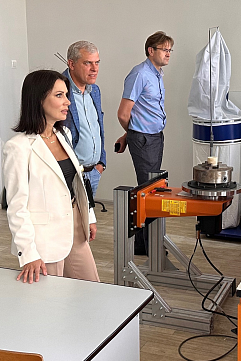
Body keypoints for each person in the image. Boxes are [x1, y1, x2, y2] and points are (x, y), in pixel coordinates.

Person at [3, 70, 100, 283]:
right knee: (51, 298)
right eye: (59, 95)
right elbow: (17, 207)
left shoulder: (63, 135)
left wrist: (89, 216)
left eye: (66, 95)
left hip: (75, 226)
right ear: (39, 99)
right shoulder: (18, 147)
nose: (67, 102)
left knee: (92, 288)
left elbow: (77, 183)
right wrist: (28, 253)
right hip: (45, 238)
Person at [115, 31, 172, 255]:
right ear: (151, 50)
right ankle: (151, 246)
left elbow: (141, 111)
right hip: (144, 139)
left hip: (155, 136)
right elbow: (123, 113)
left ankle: (141, 244)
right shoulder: (139, 74)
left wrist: (127, 135)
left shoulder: (156, 74)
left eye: (170, 50)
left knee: (148, 188)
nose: (168, 54)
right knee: (149, 191)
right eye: (164, 49)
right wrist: (132, 134)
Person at [62, 41, 106, 197]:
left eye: (97, 63)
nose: (95, 69)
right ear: (71, 64)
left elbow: (98, 127)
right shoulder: (59, 90)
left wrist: (101, 164)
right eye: (88, 63)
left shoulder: (95, 91)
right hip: (70, 175)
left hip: (93, 173)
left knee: (88, 213)